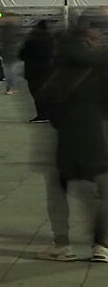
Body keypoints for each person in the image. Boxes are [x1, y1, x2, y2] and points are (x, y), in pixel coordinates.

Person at [35, 20, 108, 260]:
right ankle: (101, 245)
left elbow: (46, 98)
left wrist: (60, 121)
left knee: (59, 189)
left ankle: (62, 245)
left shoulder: (61, 62)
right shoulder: (101, 63)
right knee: (103, 190)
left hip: (67, 134)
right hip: (96, 134)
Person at [21, 21, 57, 123]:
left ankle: (42, 115)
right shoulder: (52, 40)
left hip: (33, 71)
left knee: (36, 93)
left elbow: (22, 55)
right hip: (49, 70)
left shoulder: (31, 41)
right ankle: (50, 113)